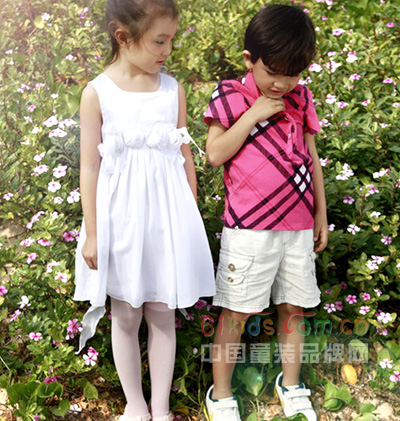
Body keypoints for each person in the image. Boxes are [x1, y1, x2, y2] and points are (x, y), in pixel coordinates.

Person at [73, 0, 216, 419]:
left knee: (162, 312)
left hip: (167, 220)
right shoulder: (97, 93)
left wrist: (189, 217)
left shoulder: (172, 90)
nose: (167, 51)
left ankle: (161, 407)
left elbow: (184, 154)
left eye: (171, 41)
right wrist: (93, 233)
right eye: (159, 41)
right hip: (120, 221)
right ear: (123, 36)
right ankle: (136, 407)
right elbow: (89, 166)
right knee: (125, 313)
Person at [203, 4, 328, 421]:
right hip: (249, 229)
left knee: (294, 307)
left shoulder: (301, 97)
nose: (281, 83)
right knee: (236, 312)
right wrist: (253, 115)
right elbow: (214, 154)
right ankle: (221, 395)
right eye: (272, 71)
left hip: (298, 225)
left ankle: (290, 385)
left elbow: (312, 158)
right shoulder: (230, 95)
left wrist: (320, 215)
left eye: (293, 74)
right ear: (249, 59)